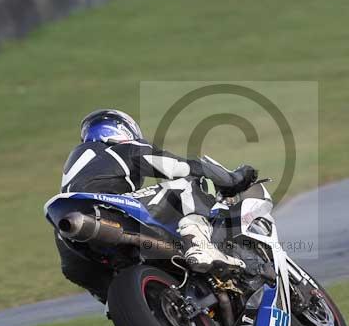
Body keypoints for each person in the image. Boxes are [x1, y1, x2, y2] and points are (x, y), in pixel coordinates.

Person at [55, 109, 258, 302]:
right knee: (185, 184)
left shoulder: (78, 168)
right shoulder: (123, 149)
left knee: (111, 293)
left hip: (70, 241)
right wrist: (233, 179)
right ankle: (199, 247)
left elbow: (74, 271)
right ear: (119, 129)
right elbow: (180, 167)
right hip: (107, 210)